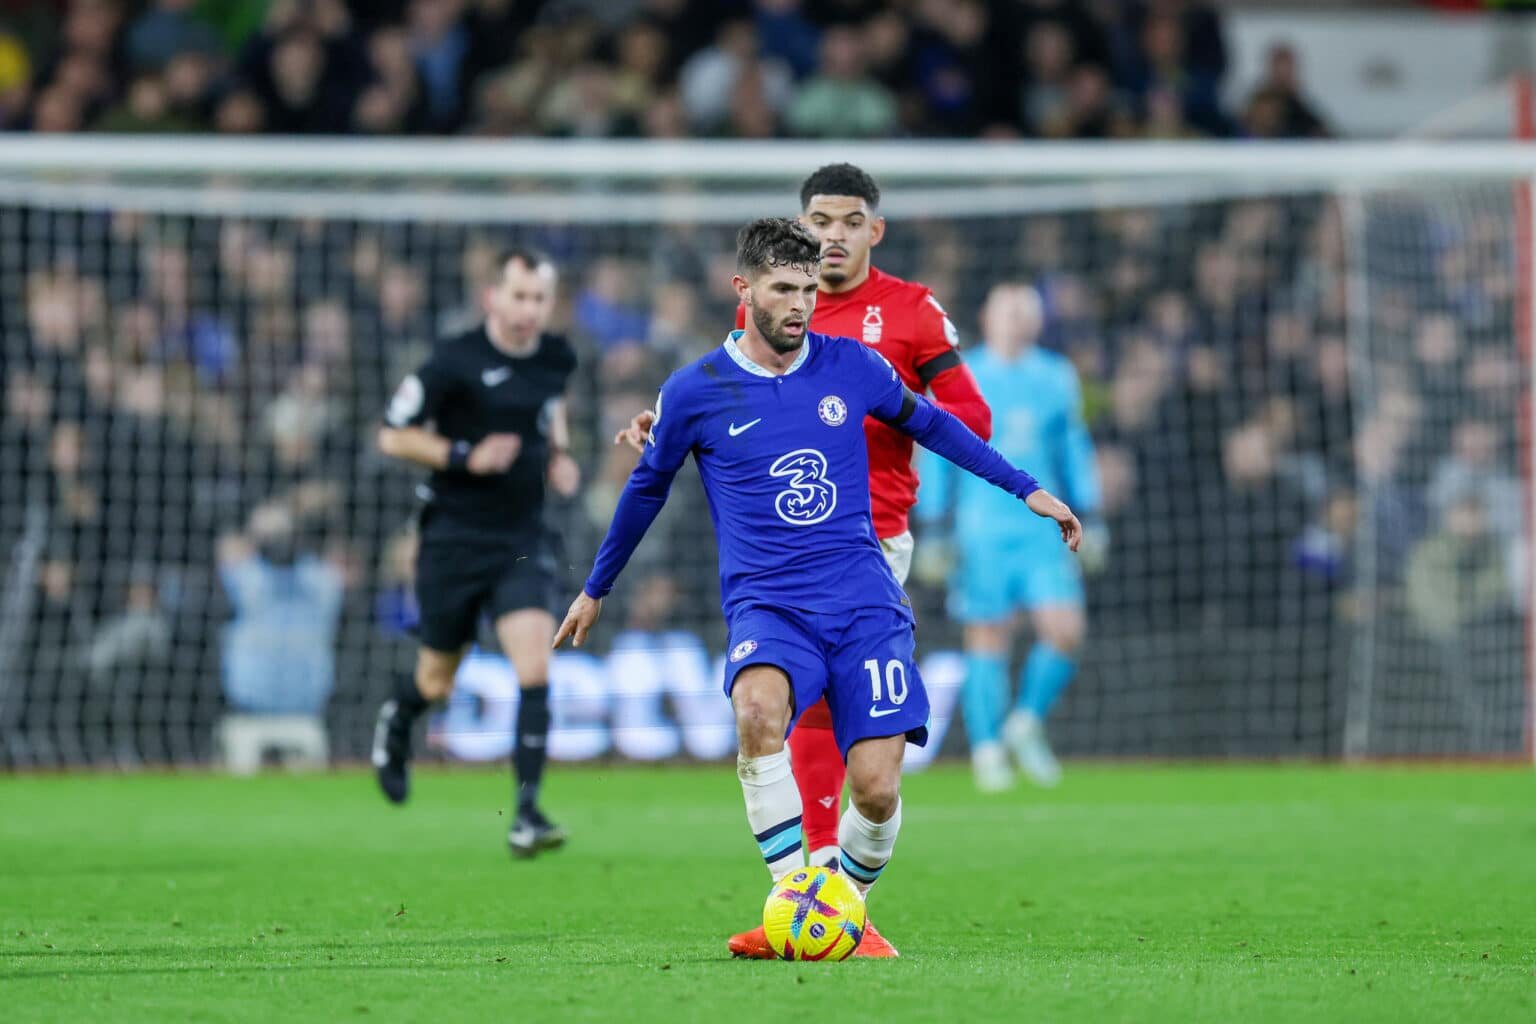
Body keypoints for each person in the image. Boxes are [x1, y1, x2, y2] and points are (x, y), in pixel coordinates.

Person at [568, 218, 1079, 959]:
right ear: (744, 291)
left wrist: (1024, 489)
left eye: (808, 289)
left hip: (864, 602)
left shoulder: (853, 366)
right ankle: (791, 901)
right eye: (783, 288)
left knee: (875, 789)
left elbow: (936, 426)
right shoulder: (694, 390)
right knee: (757, 709)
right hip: (768, 605)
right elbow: (646, 491)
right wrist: (596, 588)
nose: (800, 304)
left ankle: (845, 909)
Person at [618, 162, 993, 959]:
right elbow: (730, 393)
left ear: (873, 230)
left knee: (834, 725)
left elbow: (970, 418)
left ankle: (829, 905)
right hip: (781, 548)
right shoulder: (781, 313)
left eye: (850, 221)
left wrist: (877, 414)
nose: (832, 235)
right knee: (787, 715)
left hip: (869, 540)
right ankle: (816, 903)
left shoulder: (908, 312)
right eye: (820, 219)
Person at [372, 247, 581, 859]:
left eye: (539, 298)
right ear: (493, 297)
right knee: (437, 680)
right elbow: (392, 433)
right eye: (518, 296)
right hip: (453, 540)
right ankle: (398, 717)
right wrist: (465, 457)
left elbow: (551, 406)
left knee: (535, 668)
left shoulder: (556, 356)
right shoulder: (451, 361)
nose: (528, 309)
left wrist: (560, 454)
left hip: (520, 538)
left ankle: (526, 814)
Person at [917, 284, 1102, 790]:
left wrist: (1091, 511)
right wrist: (933, 523)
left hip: (1043, 528)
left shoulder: (1056, 376)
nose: (1018, 320)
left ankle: (1024, 723)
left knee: (1065, 631)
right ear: (988, 315)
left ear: (1038, 321)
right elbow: (937, 450)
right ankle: (988, 750)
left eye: (1026, 312)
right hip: (982, 530)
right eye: (1009, 311)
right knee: (987, 637)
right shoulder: (963, 373)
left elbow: (1074, 447)